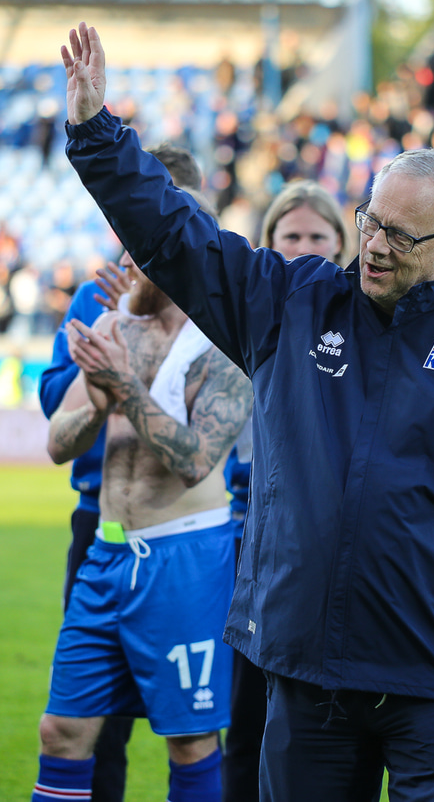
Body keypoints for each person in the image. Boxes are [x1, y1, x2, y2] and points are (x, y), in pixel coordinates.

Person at [61, 23, 434, 801]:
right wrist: (95, 132)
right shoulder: (291, 300)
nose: (373, 245)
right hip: (308, 668)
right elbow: (178, 237)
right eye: (369, 220)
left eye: (399, 236)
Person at [32, 229, 254, 800]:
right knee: (62, 730)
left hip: (185, 558)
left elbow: (197, 460)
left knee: (191, 741)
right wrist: (97, 407)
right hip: (107, 556)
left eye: (141, 248)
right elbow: (59, 443)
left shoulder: (226, 340)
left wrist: (125, 387)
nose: (126, 261)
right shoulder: (114, 325)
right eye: (126, 246)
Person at [38, 143, 207, 802]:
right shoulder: (93, 295)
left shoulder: (221, 297)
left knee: (193, 727)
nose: (138, 220)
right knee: (85, 722)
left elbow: (205, 448)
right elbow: (59, 406)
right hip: (101, 523)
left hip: (190, 531)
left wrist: (150, 332)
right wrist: (119, 327)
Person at [223, 178, 351, 802]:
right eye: (289, 235)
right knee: (245, 724)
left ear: (344, 242)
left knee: (317, 737)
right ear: (267, 243)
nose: (303, 247)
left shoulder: (354, 335)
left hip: (319, 566)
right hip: (250, 551)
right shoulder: (250, 324)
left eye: (317, 236)